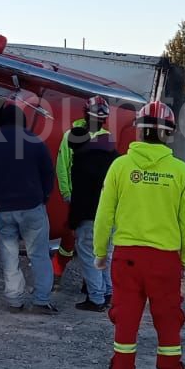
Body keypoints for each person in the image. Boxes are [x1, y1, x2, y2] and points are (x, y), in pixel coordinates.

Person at [92, 101, 185, 369]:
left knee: (125, 325)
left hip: (127, 259)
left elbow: (104, 214)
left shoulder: (120, 167)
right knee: (168, 326)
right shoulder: (179, 171)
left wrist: (99, 252)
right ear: (168, 134)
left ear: (138, 129)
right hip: (165, 261)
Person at [0, 101, 57, 312]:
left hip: (4, 207)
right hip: (32, 205)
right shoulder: (36, 142)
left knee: (9, 253)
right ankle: (41, 300)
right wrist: (44, 197)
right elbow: (49, 174)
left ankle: (14, 299)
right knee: (38, 253)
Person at [54, 96, 109, 284]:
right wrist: (67, 193)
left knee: (94, 243)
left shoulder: (106, 137)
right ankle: (57, 273)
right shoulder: (72, 134)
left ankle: (92, 285)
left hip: (97, 199)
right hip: (77, 196)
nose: (98, 122)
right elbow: (62, 165)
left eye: (101, 120)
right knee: (70, 237)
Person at [67, 122, 119, 311]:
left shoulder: (81, 163)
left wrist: (73, 222)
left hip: (89, 217)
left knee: (90, 256)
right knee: (107, 254)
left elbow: (79, 197)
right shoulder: (113, 156)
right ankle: (108, 292)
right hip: (112, 215)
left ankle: (96, 298)